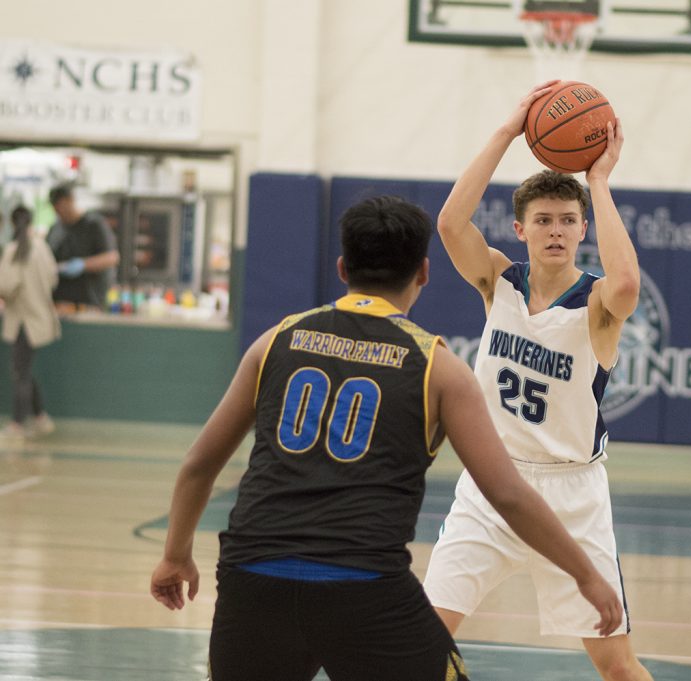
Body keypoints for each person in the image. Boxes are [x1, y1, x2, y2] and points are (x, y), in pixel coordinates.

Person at [149, 195, 622, 681]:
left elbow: (198, 465)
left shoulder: (274, 341)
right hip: (363, 583)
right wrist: (585, 573)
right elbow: (506, 493)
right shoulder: (437, 366)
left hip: (253, 574)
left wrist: (175, 554)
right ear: (423, 273)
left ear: (340, 267)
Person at [422, 81, 654, 681]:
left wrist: (598, 181)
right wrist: (508, 129)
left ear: (583, 230)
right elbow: (451, 224)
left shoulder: (597, 303)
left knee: (618, 667)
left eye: (568, 221)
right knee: (416, 642)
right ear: (520, 230)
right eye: (543, 220)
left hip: (572, 498)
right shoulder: (499, 282)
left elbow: (628, 287)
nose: (556, 230)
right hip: (492, 486)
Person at [0, 206, 60, 441]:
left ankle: (17, 424)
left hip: (22, 321)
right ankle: (40, 417)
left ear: (13, 224)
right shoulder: (42, 249)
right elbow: (53, 279)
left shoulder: (13, 251)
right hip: (39, 319)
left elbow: (5, 286)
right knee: (23, 369)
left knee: (20, 372)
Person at [46, 183, 119, 311]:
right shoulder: (55, 229)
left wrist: (82, 265)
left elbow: (112, 258)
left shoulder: (94, 224)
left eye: (60, 205)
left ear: (70, 200)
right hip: (59, 302)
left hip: (88, 302)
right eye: (54, 207)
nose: (57, 210)